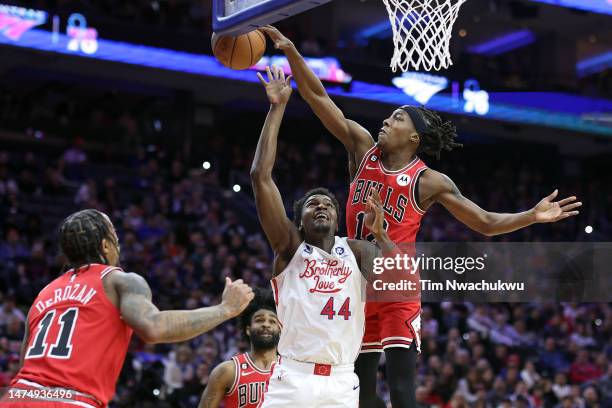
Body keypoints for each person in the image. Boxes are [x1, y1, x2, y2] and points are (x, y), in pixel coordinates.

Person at [259, 25, 582, 408]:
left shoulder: (428, 181)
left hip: (397, 281)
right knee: (359, 391)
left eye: (396, 118)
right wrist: (293, 51)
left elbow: (485, 223)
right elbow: (317, 95)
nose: (386, 121)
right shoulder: (363, 149)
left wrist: (531, 215)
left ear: (414, 138)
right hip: (355, 282)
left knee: (401, 389)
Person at [250, 66, 397, 408]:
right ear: (298, 221)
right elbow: (260, 176)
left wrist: (382, 236)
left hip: (343, 381)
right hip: (292, 378)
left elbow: (400, 276)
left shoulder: (359, 251)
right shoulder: (289, 248)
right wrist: (277, 108)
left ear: (337, 216)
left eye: (329, 204)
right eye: (312, 204)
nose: (322, 208)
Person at [4, 209, 254, 408]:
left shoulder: (44, 293)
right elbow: (154, 328)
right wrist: (225, 309)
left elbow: (28, 359)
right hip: (72, 399)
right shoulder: (118, 280)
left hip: (16, 397)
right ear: (105, 246)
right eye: (115, 236)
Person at [198, 289, 280, 408]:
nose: (266, 324)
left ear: (280, 330)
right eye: (259, 320)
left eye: (272, 321)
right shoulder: (227, 371)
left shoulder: (291, 370)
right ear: (248, 330)